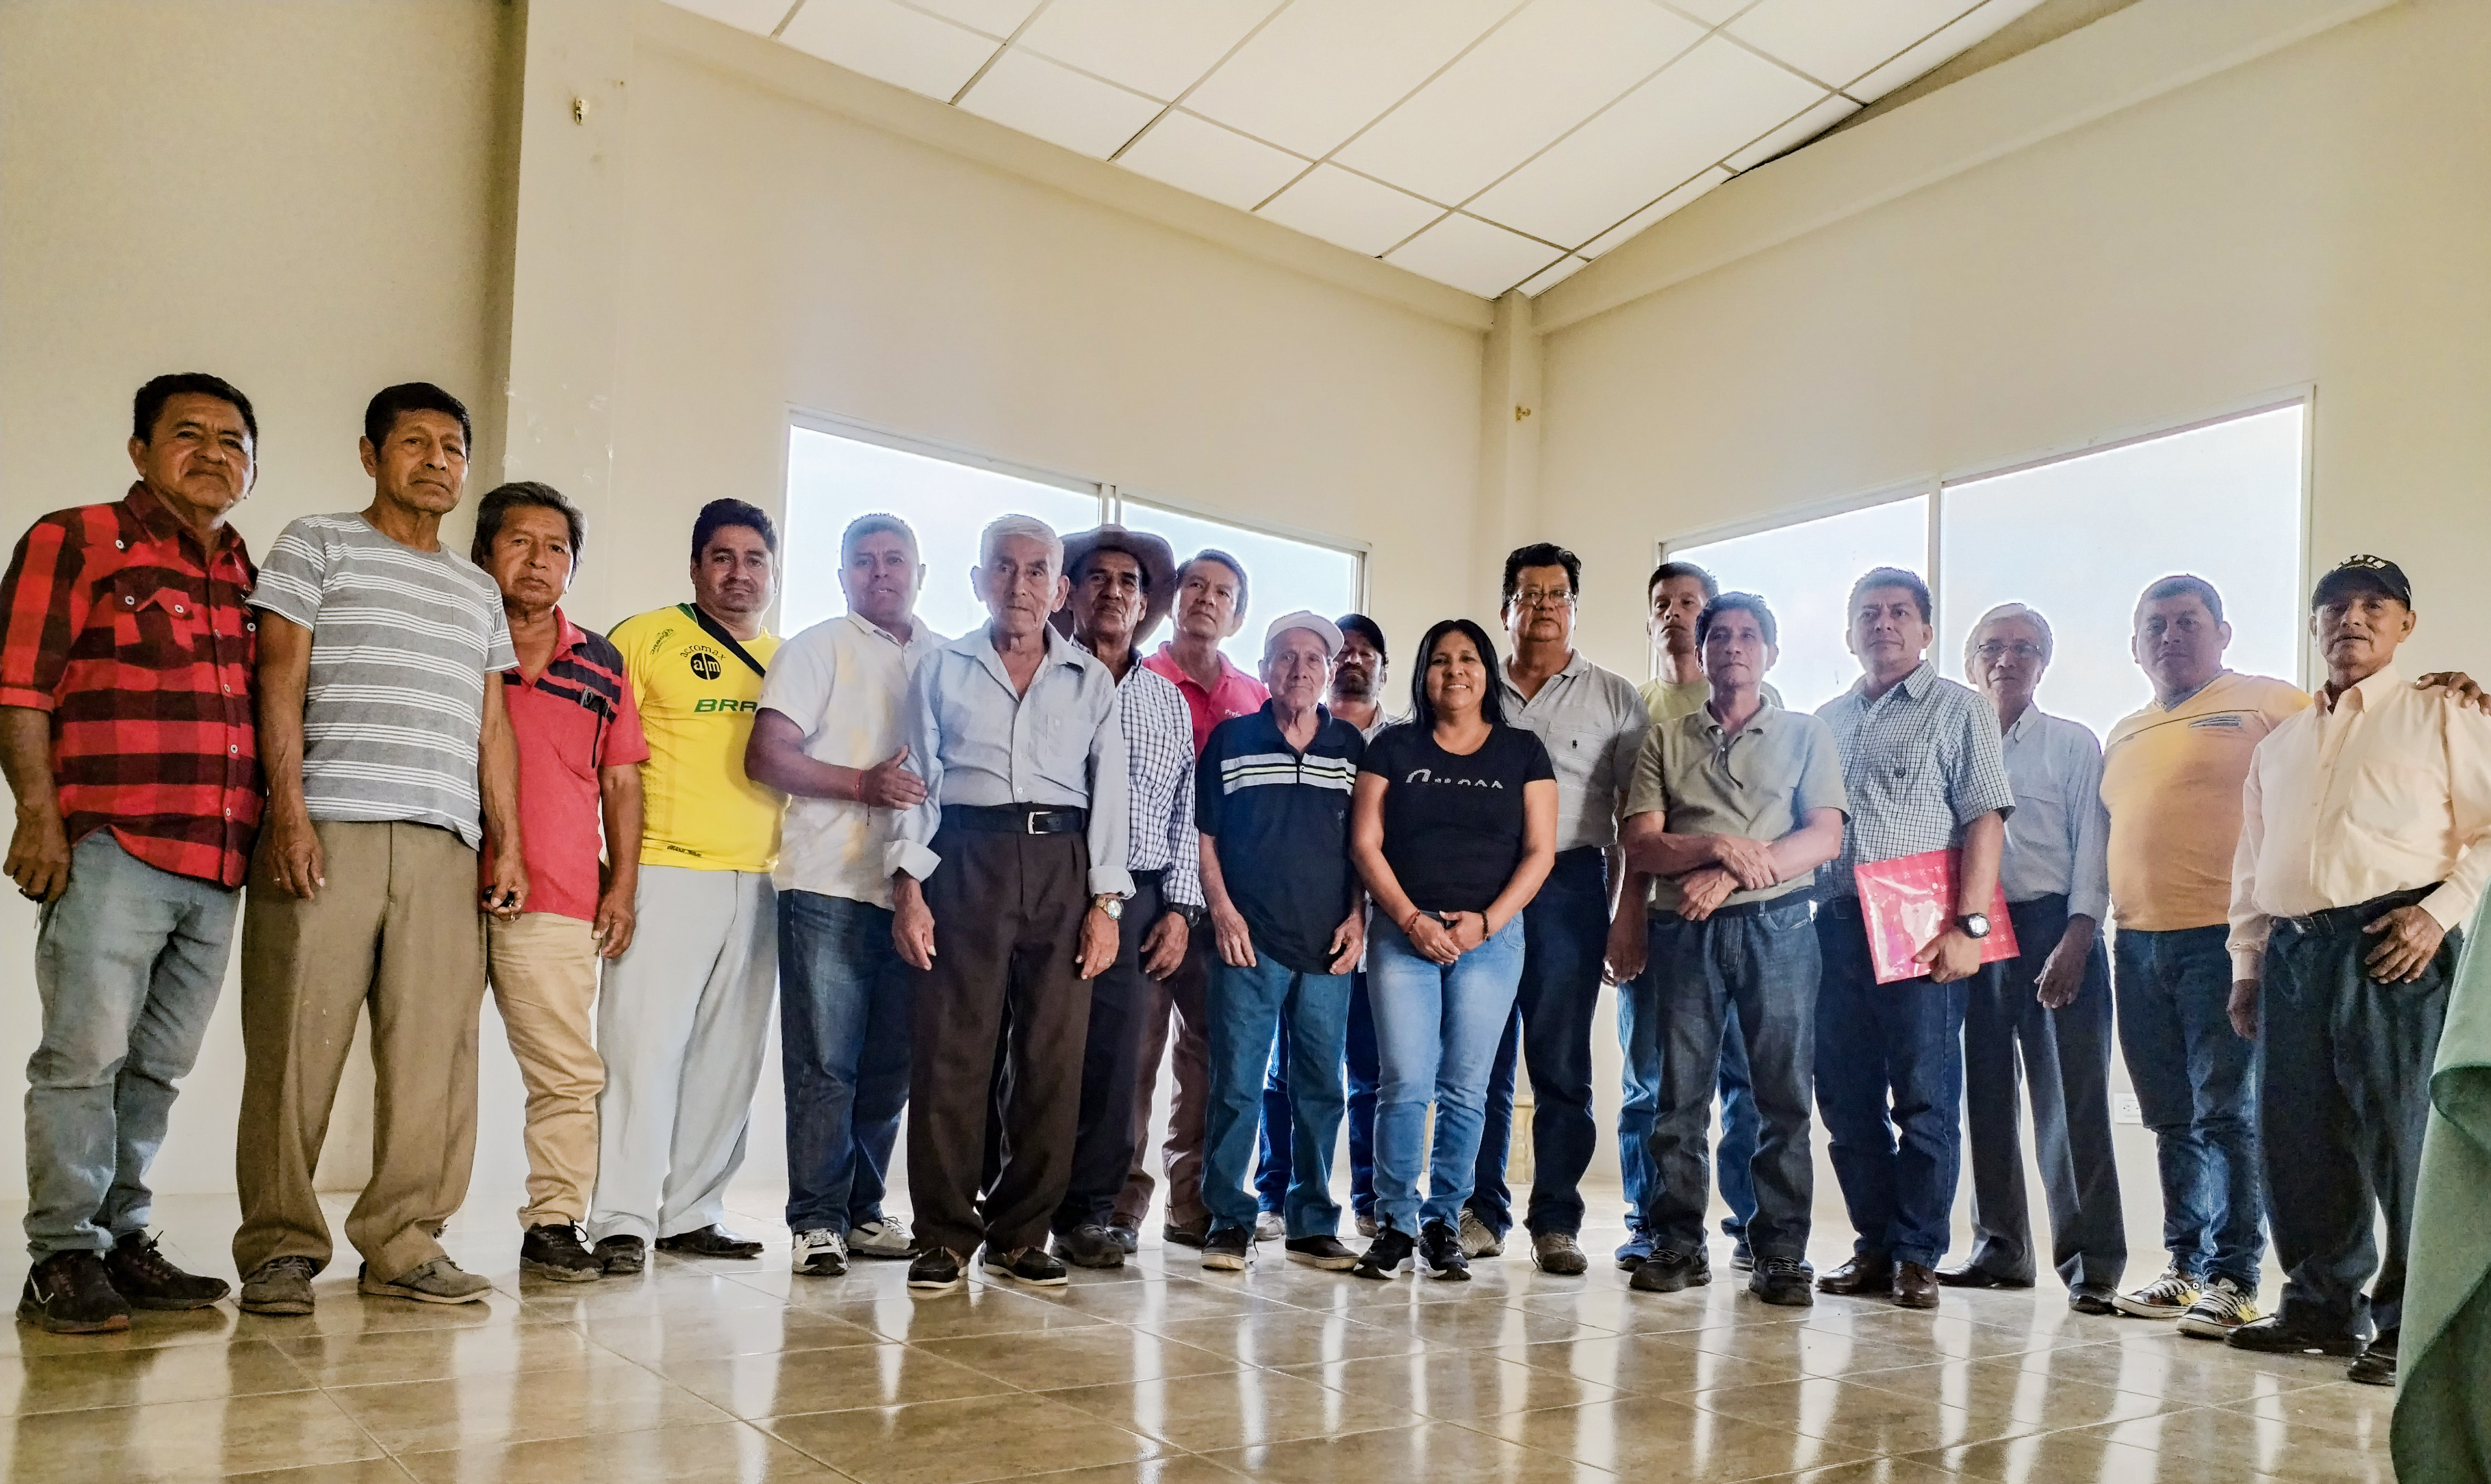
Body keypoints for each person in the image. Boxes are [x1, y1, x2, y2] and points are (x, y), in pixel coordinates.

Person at [232, 382, 524, 1314]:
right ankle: (280, 1247)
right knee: (295, 1046)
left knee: (434, 1056)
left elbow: (491, 728)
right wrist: (287, 813)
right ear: (371, 455)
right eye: (415, 443)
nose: (437, 461)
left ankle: (405, 1241)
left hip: (445, 844)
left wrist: (506, 843)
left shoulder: (477, 589)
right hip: (330, 829)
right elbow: (278, 680)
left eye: (452, 448)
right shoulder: (316, 543)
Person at [2, 374, 262, 1332]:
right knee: (84, 1057)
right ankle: (61, 1256)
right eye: (188, 434)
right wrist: (39, 814)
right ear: (140, 451)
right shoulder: (77, 538)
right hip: (115, 841)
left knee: (155, 1068)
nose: (213, 454)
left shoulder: (248, 574)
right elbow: (20, 685)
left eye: (232, 442)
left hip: (219, 858)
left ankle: (121, 1237)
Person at [2226, 556, 2491, 1387]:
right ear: (2315, 626)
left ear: (2406, 625)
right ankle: (2319, 1307)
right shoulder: (2281, 744)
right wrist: (2246, 963)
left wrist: (2438, 913)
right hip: (2294, 952)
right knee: (2298, 1136)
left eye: (2375, 605)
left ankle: (2408, 1322)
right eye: (2335, 606)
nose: (2353, 618)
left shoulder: (2443, 712)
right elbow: (2252, 861)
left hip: (2394, 940)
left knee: (2403, 1138)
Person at [889, 515, 1130, 1293]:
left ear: (1059, 590)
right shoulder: (940, 668)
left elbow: (1111, 795)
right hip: (966, 856)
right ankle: (943, 1235)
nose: (1019, 585)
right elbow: (917, 784)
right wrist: (909, 887)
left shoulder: (1091, 680)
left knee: (1052, 1059)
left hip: (1063, 863)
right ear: (979, 580)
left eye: (1036, 571)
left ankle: (1022, 1235)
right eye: (1003, 567)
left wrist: (1106, 905)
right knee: (951, 1052)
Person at [2097, 574, 2309, 1334]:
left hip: (2225, 941)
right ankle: (2185, 1266)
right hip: (2135, 942)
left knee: (2225, 1112)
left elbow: (2341, 743)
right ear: (2135, 646)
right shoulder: (2124, 732)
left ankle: (2235, 1277)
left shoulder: (2269, 701)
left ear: (2222, 632)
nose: (2170, 636)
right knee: (2170, 1115)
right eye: (2155, 625)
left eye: (2188, 621)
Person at [1619, 593, 1844, 1305]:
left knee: (1782, 1097)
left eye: (1749, 635)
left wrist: (1732, 873)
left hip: (1781, 929)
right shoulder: (1665, 739)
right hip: (1683, 931)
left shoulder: (1806, 733)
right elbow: (1642, 843)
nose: (1734, 646)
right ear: (1702, 651)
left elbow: (1824, 836)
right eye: (1719, 635)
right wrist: (1717, 846)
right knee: (1678, 1097)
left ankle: (1780, 1252)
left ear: (1771, 653)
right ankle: (1677, 1244)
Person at [587, 499, 785, 1272]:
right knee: (640, 1054)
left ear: (772, 571)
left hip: (761, 881)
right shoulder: (645, 638)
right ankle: (622, 1219)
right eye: (722, 558)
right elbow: (604, 760)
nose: (739, 574)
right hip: (665, 871)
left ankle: (693, 1213)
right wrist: (615, 874)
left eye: (754, 559)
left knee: (728, 1061)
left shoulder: (787, 659)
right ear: (696, 567)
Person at [1813, 567, 2014, 1310]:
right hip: (1836, 924)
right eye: (1869, 613)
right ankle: (1874, 1244)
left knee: (1926, 1099)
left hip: (1923, 929)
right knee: (1845, 1098)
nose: (1884, 624)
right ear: (1850, 633)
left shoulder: (1961, 709)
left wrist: (1971, 927)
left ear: (1926, 630)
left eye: (1900, 612)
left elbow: (1985, 818)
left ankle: (1917, 1253)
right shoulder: (1826, 721)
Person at [744, 513, 938, 1278]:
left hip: (914, 890)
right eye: (864, 561)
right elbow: (767, 755)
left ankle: (862, 1211)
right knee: (826, 1065)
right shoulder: (817, 647)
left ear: (920, 572)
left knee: (892, 1066)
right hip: (826, 884)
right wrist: (863, 784)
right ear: (843, 576)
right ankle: (817, 1221)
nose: (880, 572)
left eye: (894, 559)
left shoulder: (947, 658)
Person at [474, 482, 649, 1282]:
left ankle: (553, 1221)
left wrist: (622, 888)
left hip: (559, 894)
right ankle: (412, 1233)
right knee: (429, 1069)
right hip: (444, 882)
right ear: (485, 551)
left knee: (567, 1074)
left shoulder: (603, 663)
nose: (539, 560)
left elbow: (622, 781)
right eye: (520, 541)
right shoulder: (459, 638)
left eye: (557, 548)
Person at [1348, 619, 1556, 1281]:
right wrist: (1411, 919)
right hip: (1402, 933)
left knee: (1467, 1088)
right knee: (1404, 1081)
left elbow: (1540, 852)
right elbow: (1365, 844)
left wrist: (1487, 923)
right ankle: (1394, 1221)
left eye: (1469, 658)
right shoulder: (1392, 746)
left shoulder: (1523, 751)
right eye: (1441, 660)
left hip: (1490, 941)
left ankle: (1443, 1222)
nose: (1455, 670)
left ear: (1487, 672)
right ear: (1423, 673)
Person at [1463, 544, 1647, 1275]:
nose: (1543, 607)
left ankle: (1556, 1222)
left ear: (1575, 608)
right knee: (1479, 1057)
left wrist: (1620, 910)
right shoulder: (1473, 683)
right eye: (1529, 594)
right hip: (1479, 885)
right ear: (1505, 608)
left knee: (1563, 1062)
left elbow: (1635, 817)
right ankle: (1479, 1211)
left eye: (1557, 594)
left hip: (1570, 885)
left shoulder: (1614, 697)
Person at [1945, 604, 2126, 1313]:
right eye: (1992, 647)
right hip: (1976, 927)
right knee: (1985, 1094)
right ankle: (2000, 1249)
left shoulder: (2072, 744)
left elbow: (2093, 851)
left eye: (2024, 647)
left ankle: (2092, 1266)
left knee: (2072, 1102)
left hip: (2057, 925)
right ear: (1971, 664)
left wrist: (2079, 937)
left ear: (2043, 663)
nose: (2006, 659)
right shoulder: (1955, 744)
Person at [1044, 524, 1201, 1268]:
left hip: (1138, 897)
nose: (1113, 592)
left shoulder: (1166, 700)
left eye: (1129, 583)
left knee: (1118, 1062)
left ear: (1145, 606)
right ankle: (1021, 1208)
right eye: (1098, 578)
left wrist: (1180, 910)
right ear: (1069, 593)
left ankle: (1089, 1213)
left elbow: (1185, 811)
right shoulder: (1045, 676)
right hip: (1051, 886)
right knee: (1039, 1053)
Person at [1196, 612, 1366, 1273]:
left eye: (1313, 659)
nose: (1299, 669)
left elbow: (1365, 844)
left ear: (1328, 673)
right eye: (1286, 657)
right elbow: (1205, 835)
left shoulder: (1350, 747)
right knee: (1237, 1086)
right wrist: (1222, 912)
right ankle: (1229, 1221)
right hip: (1249, 943)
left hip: (1328, 947)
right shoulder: (1233, 740)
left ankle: (1312, 1222)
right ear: (1265, 668)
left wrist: (1358, 918)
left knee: (1321, 1088)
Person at [1620, 560, 1774, 1272]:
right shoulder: (1636, 709)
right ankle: (1650, 1222)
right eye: (1663, 603)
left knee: (1745, 1082)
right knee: (1649, 1083)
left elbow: (1767, 826)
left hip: (1748, 923)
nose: (1675, 613)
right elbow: (1632, 829)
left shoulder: (1761, 702)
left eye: (1690, 601)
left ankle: (1752, 1224)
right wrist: (1627, 915)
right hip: (1662, 918)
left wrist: (1723, 871)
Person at [1118, 550, 1264, 1247]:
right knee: (1134, 1052)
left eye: (1223, 593)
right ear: (1173, 598)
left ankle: (1193, 1203)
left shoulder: (1256, 696)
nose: (1207, 598)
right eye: (1195, 586)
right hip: (1150, 896)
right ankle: (1118, 1205)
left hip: (1228, 906)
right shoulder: (1138, 679)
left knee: (1211, 1056)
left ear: (1238, 615)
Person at [1253, 614, 1396, 1239]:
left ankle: (1367, 1197)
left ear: (1383, 669)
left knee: (1370, 1072)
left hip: (1379, 934)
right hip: (1303, 932)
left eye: (1368, 652)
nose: (1354, 660)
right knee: (1286, 1072)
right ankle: (1273, 1195)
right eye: (1345, 651)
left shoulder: (1399, 742)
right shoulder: (1299, 734)